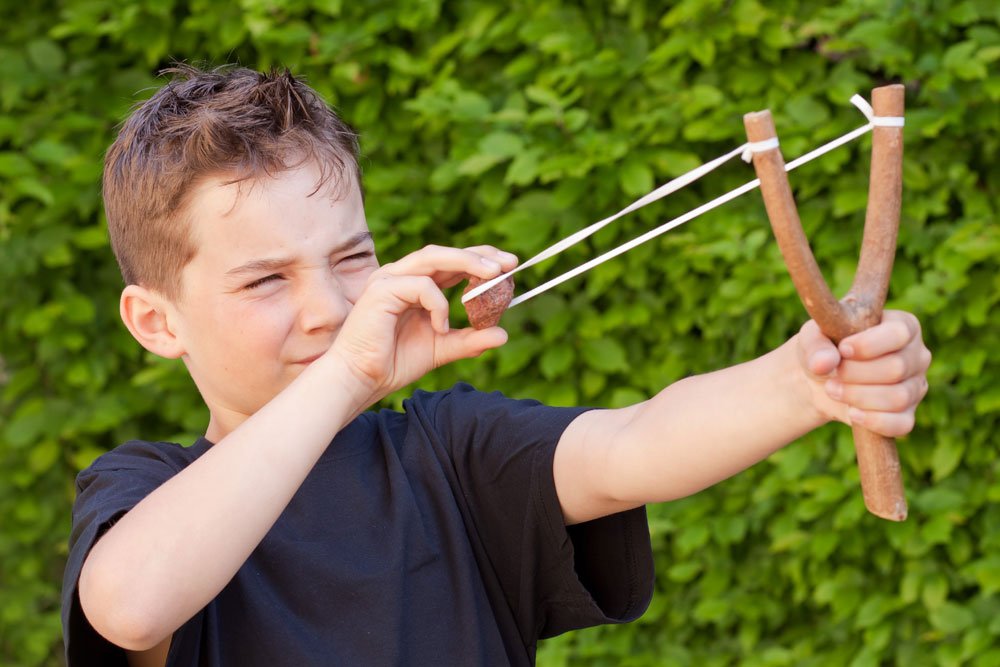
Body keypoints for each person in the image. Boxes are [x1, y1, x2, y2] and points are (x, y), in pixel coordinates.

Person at [61, 64, 931, 667]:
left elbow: (635, 442)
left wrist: (806, 378)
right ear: (155, 321)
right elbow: (131, 605)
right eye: (265, 279)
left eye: (352, 258)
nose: (331, 307)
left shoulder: (447, 450)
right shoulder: (146, 490)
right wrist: (344, 379)